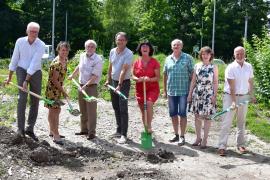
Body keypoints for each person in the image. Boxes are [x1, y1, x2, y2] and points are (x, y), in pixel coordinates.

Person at [5, 22, 45, 141]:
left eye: (36, 32)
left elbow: (34, 63)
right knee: (22, 99)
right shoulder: (20, 41)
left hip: (36, 72)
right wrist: (10, 76)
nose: (34, 34)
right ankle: (20, 129)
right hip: (21, 69)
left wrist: (26, 81)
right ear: (27, 31)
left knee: (35, 100)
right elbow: (15, 58)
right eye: (32, 31)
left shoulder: (41, 44)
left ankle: (30, 128)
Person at [217, 46, 256, 156]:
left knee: (241, 122)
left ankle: (240, 145)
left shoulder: (249, 66)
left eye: (241, 53)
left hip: (244, 97)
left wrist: (251, 95)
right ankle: (222, 146)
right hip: (230, 97)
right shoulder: (230, 67)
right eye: (237, 54)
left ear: (245, 54)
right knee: (227, 122)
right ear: (234, 55)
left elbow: (250, 81)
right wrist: (234, 102)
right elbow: (232, 87)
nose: (239, 55)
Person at [68, 40, 103, 140]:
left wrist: (86, 85)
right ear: (85, 47)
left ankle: (91, 132)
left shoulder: (98, 59)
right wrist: (73, 75)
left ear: (95, 48)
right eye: (88, 46)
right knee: (82, 108)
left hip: (91, 86)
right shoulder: (82, 56)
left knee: (91, 110)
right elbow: (79, 66)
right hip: (81, 85)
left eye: (92, 47)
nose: (90, 48)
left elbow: (95, 76)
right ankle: (84, 129)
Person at [163, 39, 194, 146]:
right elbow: (165, 75)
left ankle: (182, 136)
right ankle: (176, 134)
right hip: (171, 91)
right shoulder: (167, 59)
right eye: (174, 45)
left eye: (178, 45)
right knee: (173, 114)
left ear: (182, 46)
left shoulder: (188, 58)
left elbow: (192, 74)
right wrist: (165, 90)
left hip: (183, 91)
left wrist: (191, 90)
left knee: (182, 114)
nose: (176, 46)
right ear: (172, 47)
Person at [187, 46, 218, 149]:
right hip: (198, 93)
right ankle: (198, 138)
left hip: (209, 94)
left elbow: (215, 82)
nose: (205, 56)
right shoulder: (197, 66)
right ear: (201, 55)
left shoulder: (214, 67)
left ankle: (205, 139)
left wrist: (214, 96)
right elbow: (193, 81)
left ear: (210, 55)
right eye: (203, 54)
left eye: (207, 54)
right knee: (197, 117)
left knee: (207, 118)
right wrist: (190, 94)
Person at [105, 32, 133, 144]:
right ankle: (118, 130)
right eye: (118, 39)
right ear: (115, 40)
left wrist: (119, 85)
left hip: (124, 83)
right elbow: (110, 66)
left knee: (123, 108)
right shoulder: (112, 51)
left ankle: (124, 134)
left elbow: (123, 70)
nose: (120, 41)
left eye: (122, 40)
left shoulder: (129, 53)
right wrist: (108, 79)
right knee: (115, 106)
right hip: (113, 81)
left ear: (126, 41)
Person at [45, 41, 70, 145]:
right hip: (52, 90)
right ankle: (56, 134)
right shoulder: (56, 63)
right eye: (62, 50)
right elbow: (54, 80)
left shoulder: (65, 60)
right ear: (58, 50)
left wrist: (63, 89)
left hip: (58, 89)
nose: (64, 52)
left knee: (56, 111)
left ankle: (52, 131)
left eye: (66, 50)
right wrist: (63, 91)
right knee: (54, 111)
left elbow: (60, 79)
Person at [132, 42, 160, 133]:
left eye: (147, 46)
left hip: (152, 88)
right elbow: (132, 75)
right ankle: (146, 128)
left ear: (150, 49)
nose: (144, 48)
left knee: (148, 104)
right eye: (142, 47)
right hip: (140, 89)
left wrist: (149, 79)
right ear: (140, 49)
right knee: (143, 110)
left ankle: (149, 126)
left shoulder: (154, 62)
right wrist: (137, 79)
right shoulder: (136, 62)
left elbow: (157, 77)